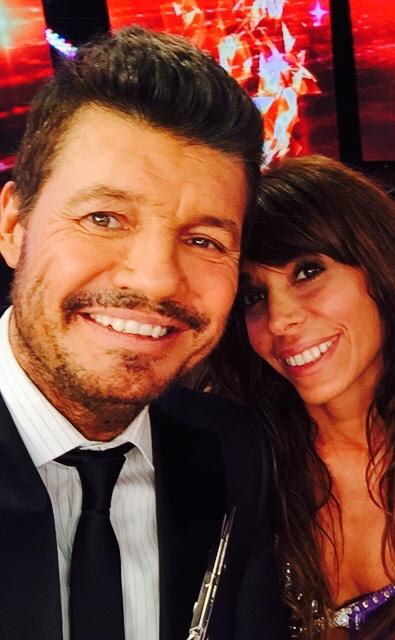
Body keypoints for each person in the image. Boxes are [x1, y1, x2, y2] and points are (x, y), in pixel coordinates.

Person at [0, 27, 287, 640]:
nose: (157, 280)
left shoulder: (235, 452)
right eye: (104, 218)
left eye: (204, 240)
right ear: (14, 226)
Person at [209, 155, 395, 638]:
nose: (280, 321)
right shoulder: (237, 460)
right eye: (254, 297)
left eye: (308, 272)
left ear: (382, 265)